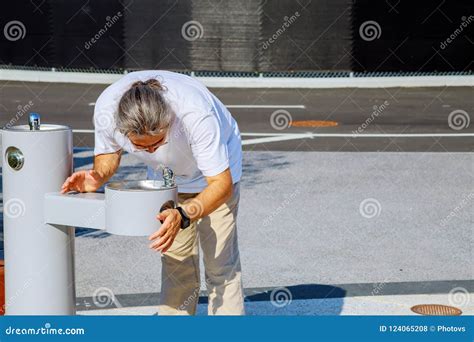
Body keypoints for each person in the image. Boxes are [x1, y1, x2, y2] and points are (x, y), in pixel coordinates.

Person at [61, 70, 244, 315]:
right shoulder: (107, 110)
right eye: (140, 146)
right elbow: (108, 154)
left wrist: (184, 213)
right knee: (176, 262)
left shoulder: (195, 114)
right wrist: (97, 177)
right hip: (167, 179)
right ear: (122, 128)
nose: (150, 152)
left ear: (169, 120)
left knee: (220, 264)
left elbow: (221, 183)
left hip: (217, 173)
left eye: (158, 143)